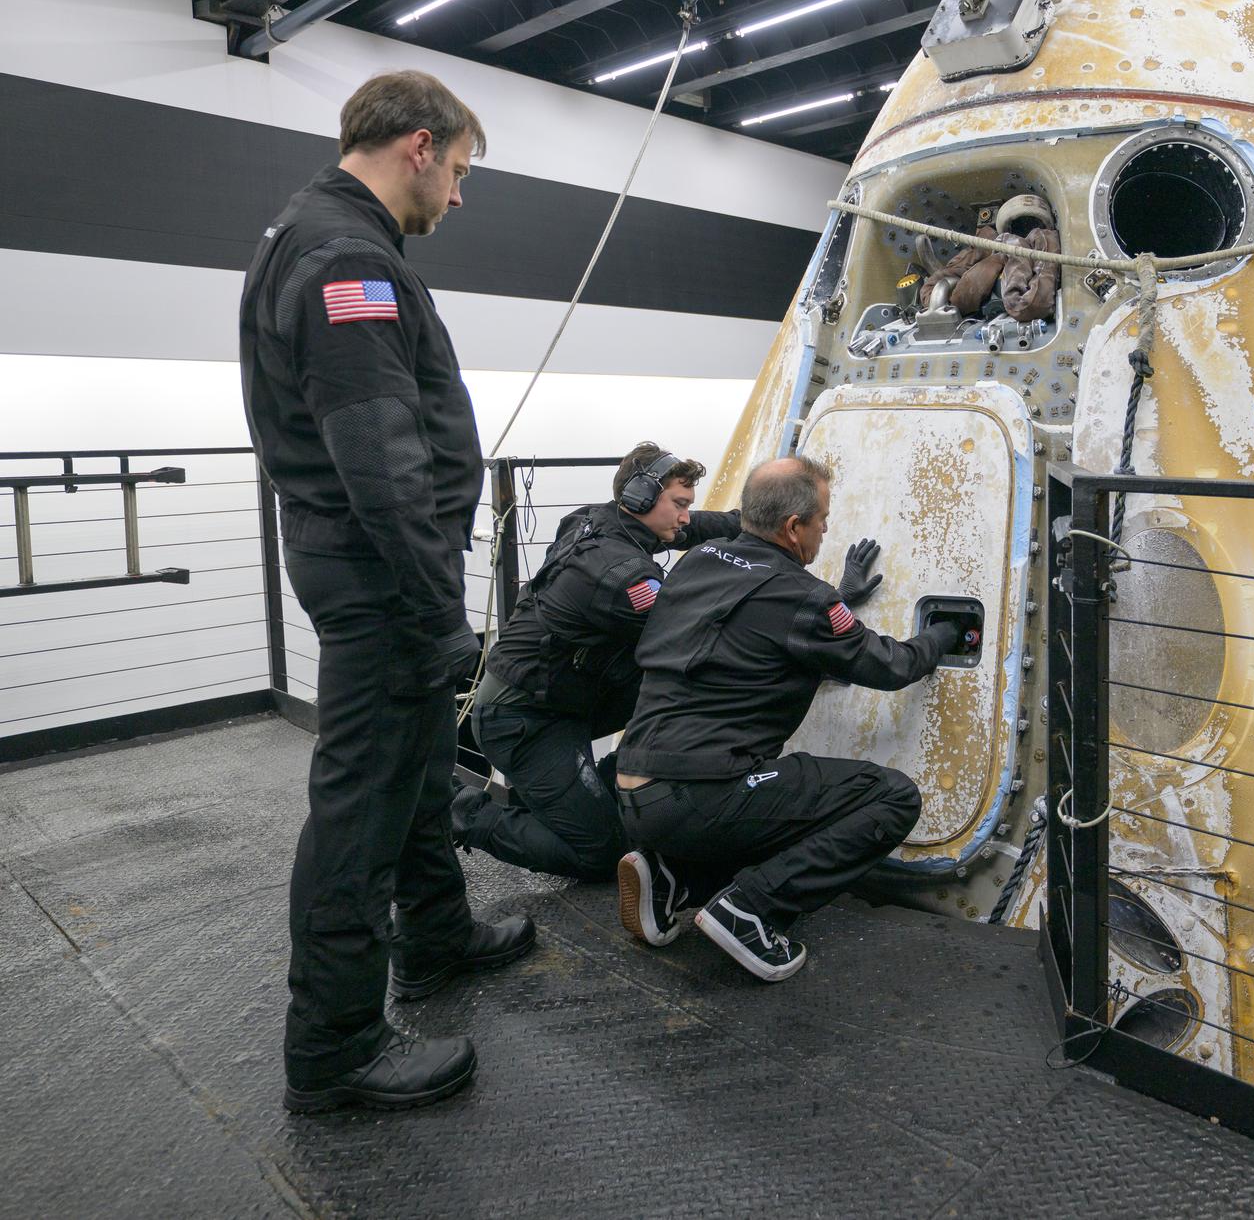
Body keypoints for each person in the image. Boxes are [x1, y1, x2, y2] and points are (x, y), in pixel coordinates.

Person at [240, 70, 534, 1114]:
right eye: (457, 171)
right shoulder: (346, 258)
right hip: (378, 575)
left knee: (410, 770)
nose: (457, 196)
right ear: (418, 146)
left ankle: (438, 937)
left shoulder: (323, 235)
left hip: (367, 567)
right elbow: (378, 459)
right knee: (359, 808)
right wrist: (439, 611)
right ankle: (332, 1049)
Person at [611, 455, 962, 982]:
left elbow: (749, 629)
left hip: (634, 788)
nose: (826, 527)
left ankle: (671, 877)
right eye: (822, 518)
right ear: (794, 527)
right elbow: (893, 666)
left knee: (771, 793)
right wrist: (944, 634)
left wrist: (837, 597)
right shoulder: (804, 599)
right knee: (890, 797)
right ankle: (752, 909)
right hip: (698, 793)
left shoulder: (699, 558)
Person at [453, 444, 739, 881]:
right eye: (679, 504)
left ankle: (592, 791)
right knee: (600, 854)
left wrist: (754, 523)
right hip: (523, 720)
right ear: (642, 498)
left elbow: (692, 528)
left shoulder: (603, 519)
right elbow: (700, 630)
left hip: (557, 696)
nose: (685, 517)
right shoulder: (623, 575)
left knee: (661, 686)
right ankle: (459, 811)